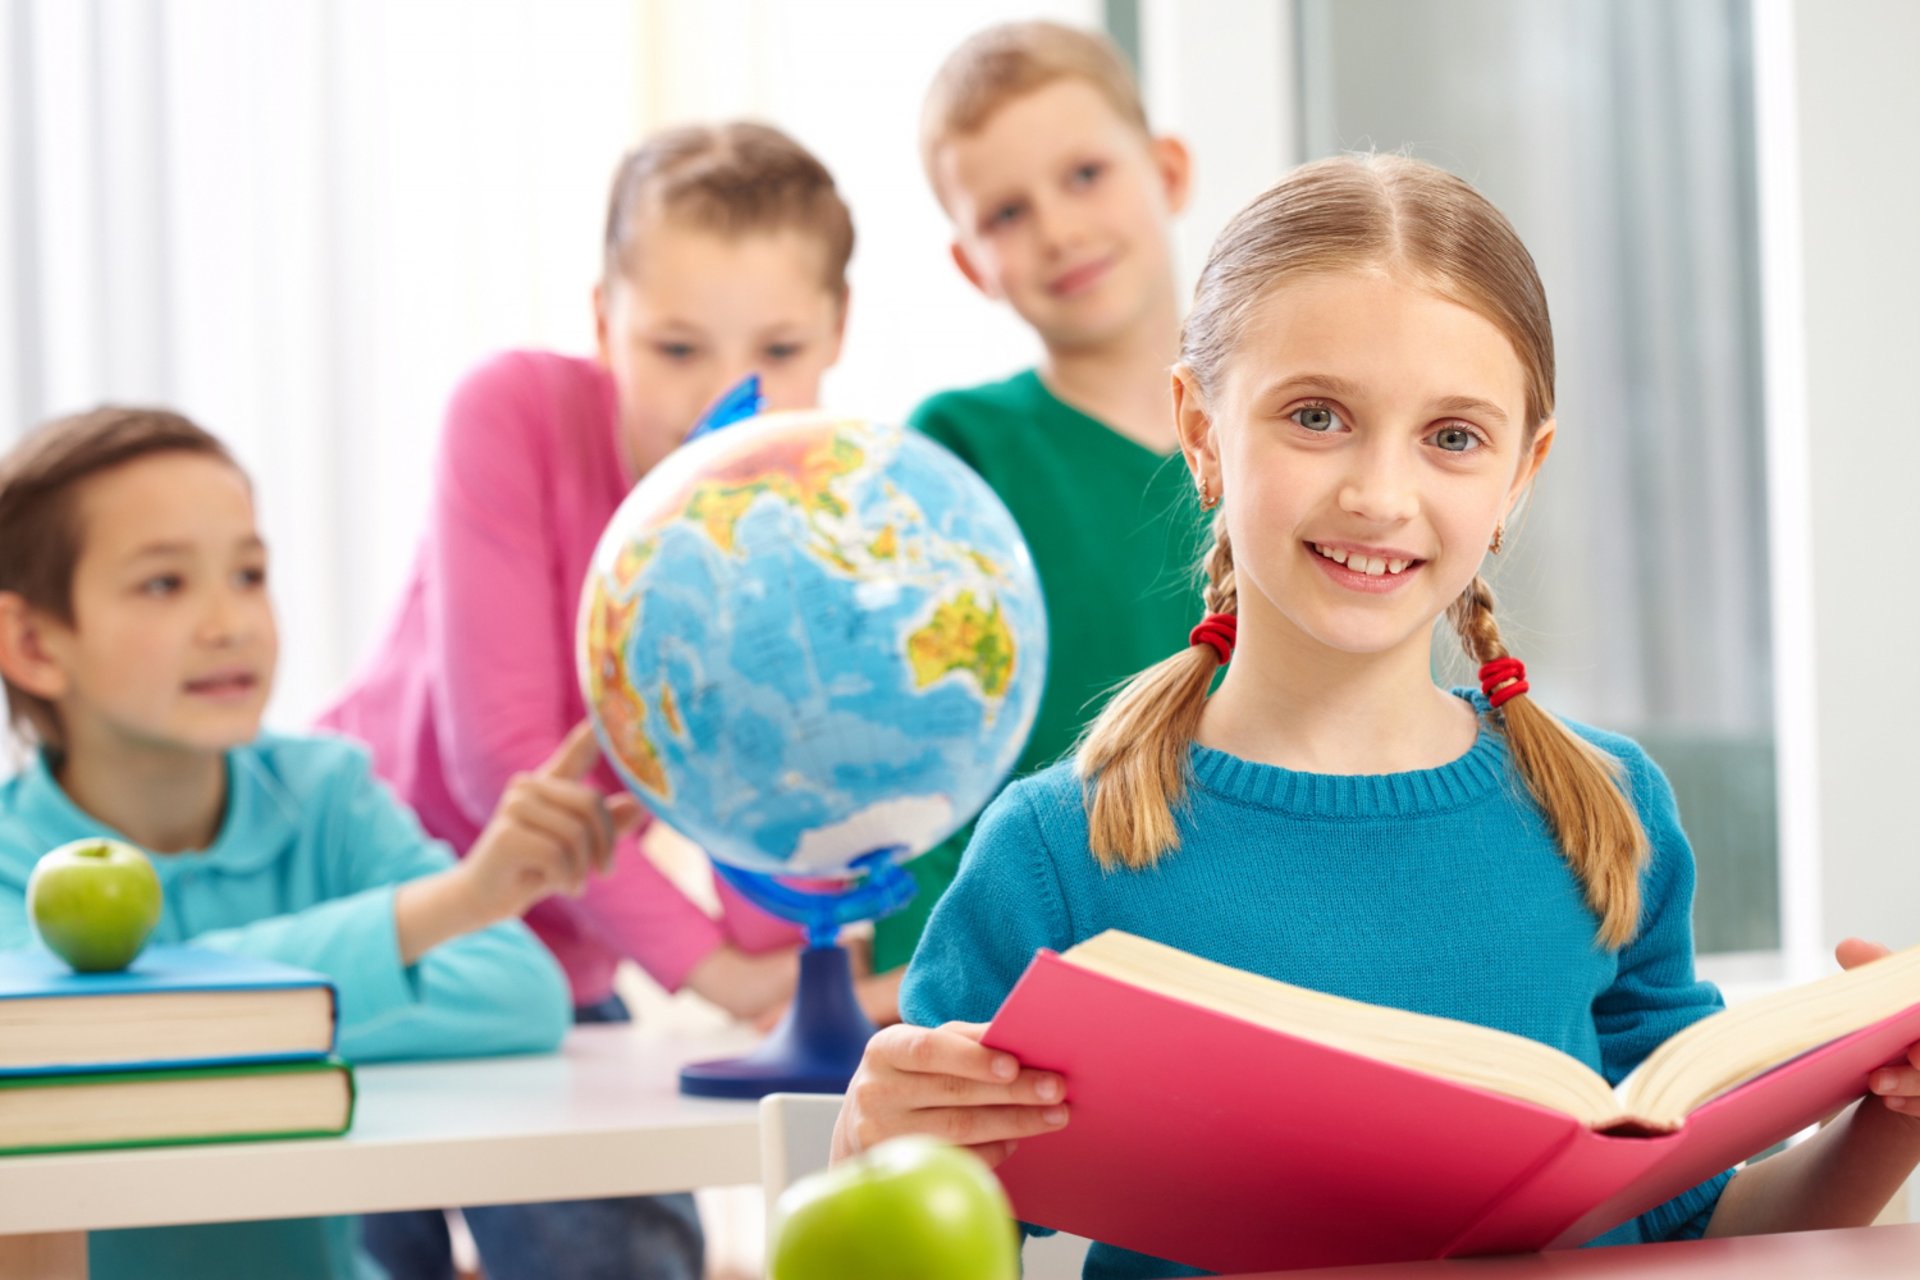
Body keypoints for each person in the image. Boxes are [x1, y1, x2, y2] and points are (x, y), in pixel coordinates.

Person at [831, 155, 1920, 1280]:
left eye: (1452, 436)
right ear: (1201, 431)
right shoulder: (1061, 848)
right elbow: (929, 1236)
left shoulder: (1607, 814)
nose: (1379, 494)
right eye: (1318, 416)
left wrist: (1895, 1112)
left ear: (1519, 475)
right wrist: (876, 1145)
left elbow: (1702, 1236)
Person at [317, 120, 864, 1279]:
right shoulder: (508, 410)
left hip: (555, 965)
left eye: (777, 344)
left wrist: (788, 951)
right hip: (371, 923)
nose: (727, 390)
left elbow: (749, 769)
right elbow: (505, 756)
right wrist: (716, 970)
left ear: (838, 334)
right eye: (674, 345)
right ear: (602, 318)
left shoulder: (797, 504)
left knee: (612, 1259)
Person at [0, 407, 615, 1280]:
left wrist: (208, 1038)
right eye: (165, 585)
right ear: (32, 644)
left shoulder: (326, 793)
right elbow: (54, 1042)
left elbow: (519, 992)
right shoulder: (9, 857)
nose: (231, 623)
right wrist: (436, 916)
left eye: (249, 574)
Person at [869, 21, 1210, 984]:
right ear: (972, 263)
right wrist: (915, 959)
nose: (1059, 229)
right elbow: (920, 731)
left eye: (1087, 175)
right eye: (1007, 213)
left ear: (1168, 171)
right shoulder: (958, 451)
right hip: (1032, 956)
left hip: (1274, 931)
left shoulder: (1298, 427)